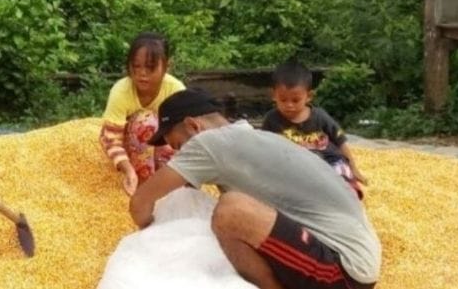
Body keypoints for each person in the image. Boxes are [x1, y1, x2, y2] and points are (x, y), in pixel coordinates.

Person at [131, 89, 381, 289]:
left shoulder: (209, 144)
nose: (179, 154)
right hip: (355, 260)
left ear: (193, 126)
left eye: (178, 145)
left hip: (343, 271)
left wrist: (152, 234)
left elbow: (140, 202)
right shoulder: (252, 137)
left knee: (230, 210)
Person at [260, 62, 367, 198]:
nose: (289, 105)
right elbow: (262, 146)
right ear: (274, 95)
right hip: (294, 165)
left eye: (295, 100)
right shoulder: (272, 119)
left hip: (329, 161)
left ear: (309, 96)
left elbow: (340, 141)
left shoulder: (320, 116)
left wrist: (354, 167)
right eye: (283, 99)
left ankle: (349, 195)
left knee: (342, 178)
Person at [99, 33, 185, 195]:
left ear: (167, 66)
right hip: (131, 148)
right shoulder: (121, 91)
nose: (142, 73)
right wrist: (128, 170)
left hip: (164, 145)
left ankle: (166, 183)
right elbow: (110, 138)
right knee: (146, 120)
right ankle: (144, 185)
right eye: (136, 66)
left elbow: (186, 136)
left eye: (150, 67)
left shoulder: (175, 90)